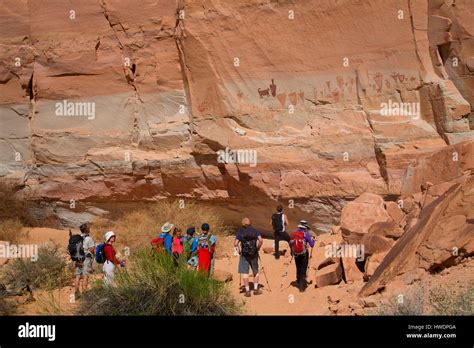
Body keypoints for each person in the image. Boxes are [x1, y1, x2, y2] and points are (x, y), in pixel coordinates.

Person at [234, 217, 263, 297]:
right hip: (254, 253)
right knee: (255, 271)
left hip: (244, 254)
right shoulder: (255, 230)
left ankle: (247, 291)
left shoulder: (240, 231)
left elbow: (235, 243)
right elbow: (261, 240)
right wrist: (258, 248)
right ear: (250, 223)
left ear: (243, 224)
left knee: (245, 272)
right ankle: (256, 289)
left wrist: (239, 250)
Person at [290, 220, 315, 292]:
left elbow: (291, 243)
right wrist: (313, 240)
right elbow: (312, 245)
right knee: (303, 269)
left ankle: (298, 281)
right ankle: (301, 287)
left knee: (298, 267)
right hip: (304, 254)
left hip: (296, 253)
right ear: (305, 227)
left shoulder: (293, 233)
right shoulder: (306, 234)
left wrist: (292, 252)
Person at [74, 223, 95, 298]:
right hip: (86, 258)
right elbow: (92, 249)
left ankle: (76, 291)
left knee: (78, 275)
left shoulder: (78, 238)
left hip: (78, 258)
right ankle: (85, 292)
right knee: (85, 275)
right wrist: (93, 254)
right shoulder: (89, 238)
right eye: (88, 228)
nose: (89, 228)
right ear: (86, 229)